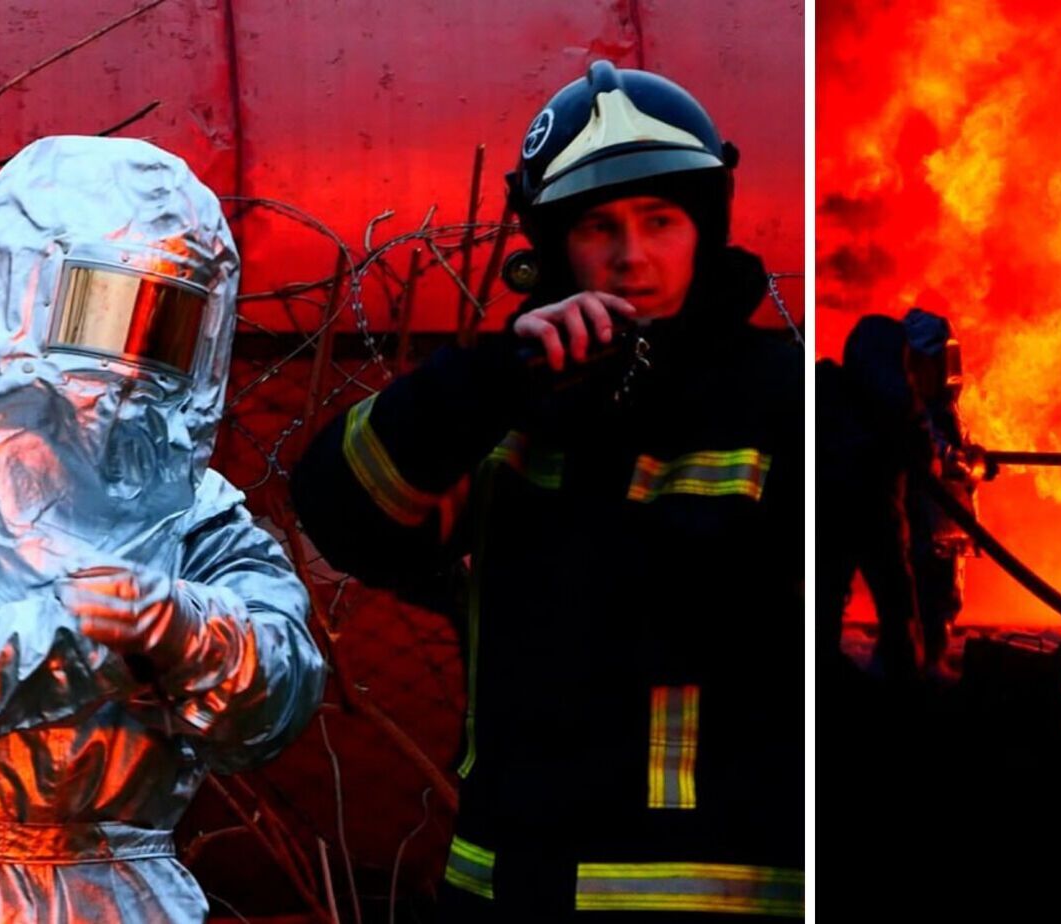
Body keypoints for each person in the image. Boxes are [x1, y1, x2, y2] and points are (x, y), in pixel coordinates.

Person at [291, 60, 804, 919]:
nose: (632, 254)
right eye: (599, 226)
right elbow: (343, 511)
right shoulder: (508, 406)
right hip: (500, 891)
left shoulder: (779, 403)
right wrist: (491, 382)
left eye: (660, 220)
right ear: (556, 245)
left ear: (705, 230)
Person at [0, 136, 326, 921]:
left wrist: (189, 632)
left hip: (124, 896)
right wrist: (83, 635)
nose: (128, 363)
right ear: (18, 300)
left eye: (163, 324)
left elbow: (284, 680)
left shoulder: (194, 506)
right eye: (97, 308)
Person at [815, 315, 930, 685]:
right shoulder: (833, 396)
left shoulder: (829, 392)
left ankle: (897, 673)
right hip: (847, 516)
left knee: (886, 600)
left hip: (862, 518)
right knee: (837, 596)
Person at [901, 307, 979, 674]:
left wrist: (974, 458)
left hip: (949, 526)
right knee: (924, 606)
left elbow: (955, 449)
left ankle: (931, 668)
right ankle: (918, 677)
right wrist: (968, 464)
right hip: (924, 527)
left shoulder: (946, 408)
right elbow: (933, 453)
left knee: (945, 603)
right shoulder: (910, 407)